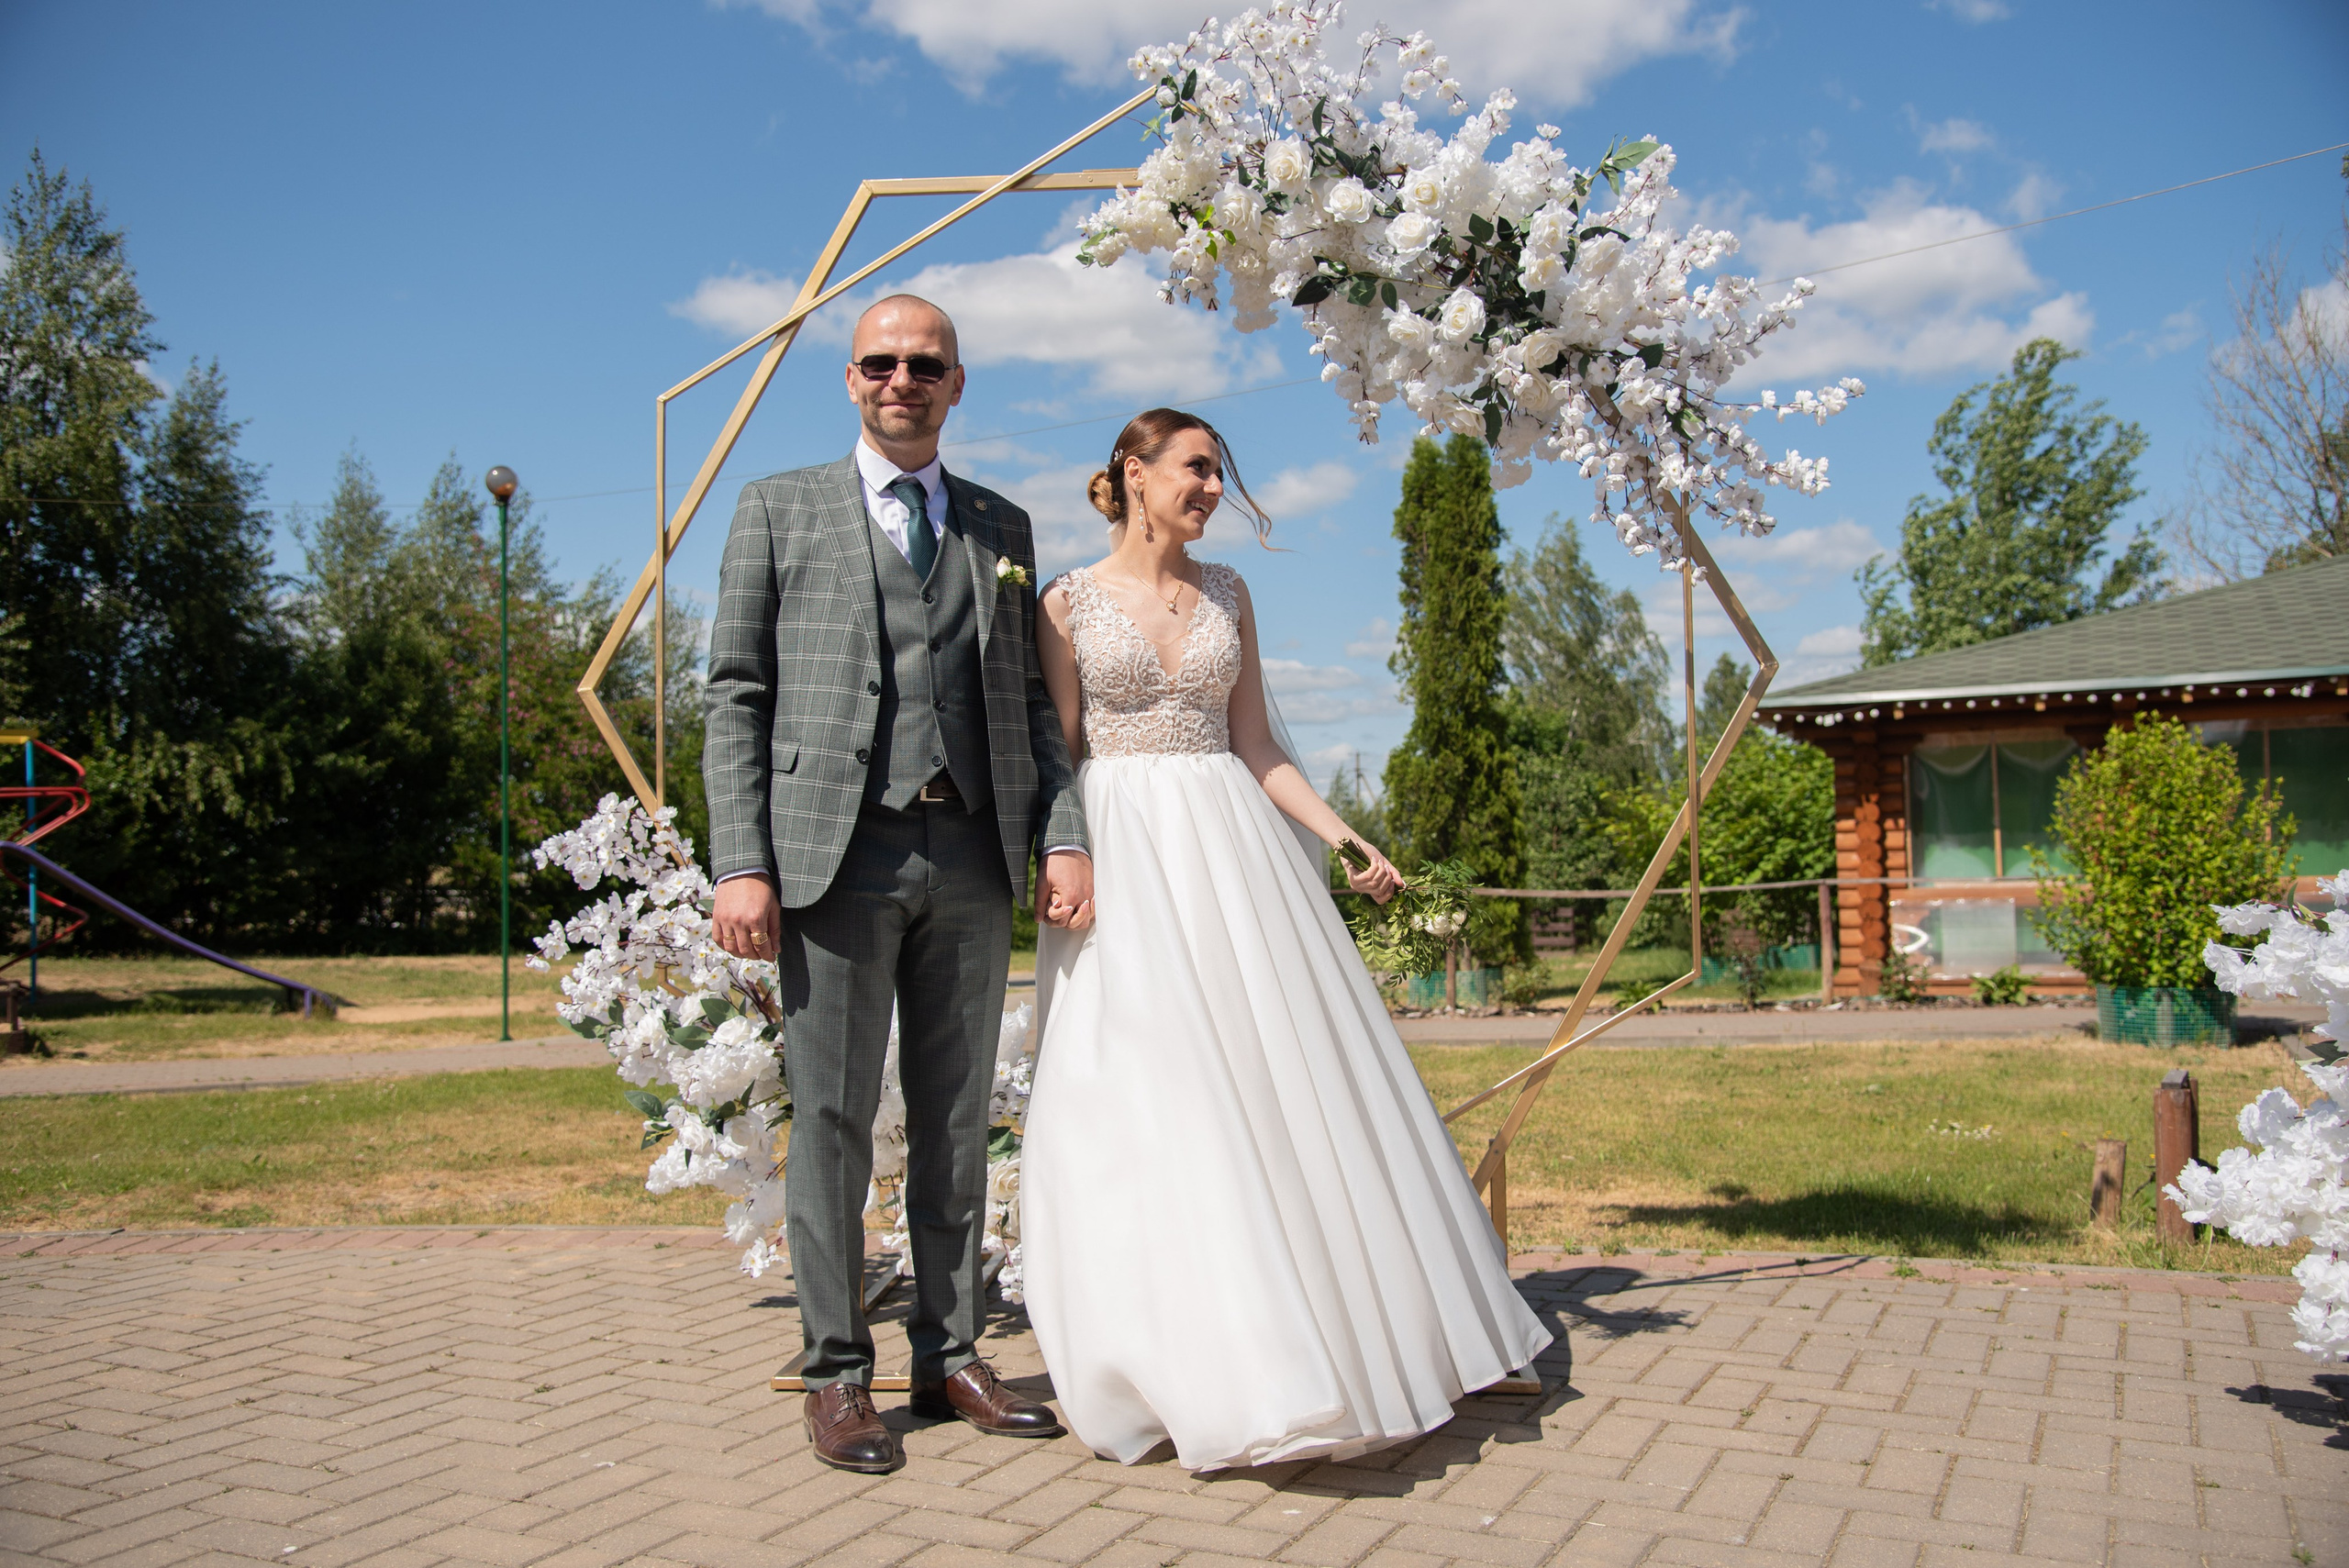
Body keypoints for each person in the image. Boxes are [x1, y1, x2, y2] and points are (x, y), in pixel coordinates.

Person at [1019, 408, 1553, 1471]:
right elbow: (1058, 751)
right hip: (1123, 855)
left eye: (1219, 472)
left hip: (1234, 853)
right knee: (1151, 1088)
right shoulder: (1066, 602)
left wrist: (1342, 833)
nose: (1214, 488)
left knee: (1277, 1080)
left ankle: (1353, 1329)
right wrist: (1059, 855)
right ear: (1133, 474)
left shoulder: (1229, 593)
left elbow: (1255, 740)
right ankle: (1185, 1354)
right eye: (1197, 469)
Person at [703, 294, 1097, 1474]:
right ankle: (836, 1374)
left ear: (957, 384)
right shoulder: (778, 508)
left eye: (925, 364)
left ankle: (950, 1350)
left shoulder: (999, 523)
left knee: (956, 1116)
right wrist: (740, 859)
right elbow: (734, 690)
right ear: (850, 378)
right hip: (832, 856)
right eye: (880, 362)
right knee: (828, 1120)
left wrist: (1060, 831)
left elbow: (1031, 705)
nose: (901, 379)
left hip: (971, 852)